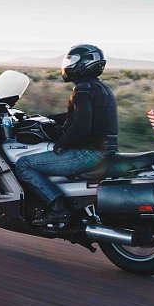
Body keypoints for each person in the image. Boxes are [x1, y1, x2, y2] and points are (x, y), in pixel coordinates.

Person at [15, 44, 118, 227]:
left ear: (85, 63)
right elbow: (79, 117)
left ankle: (57, 208)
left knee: (24, 164)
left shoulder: (82, 90)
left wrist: (62, 143)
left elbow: (82, 126)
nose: (69, 65)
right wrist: (46, 118)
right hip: (105, 150)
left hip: (88, 153)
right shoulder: (101, 88)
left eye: (73, 60)